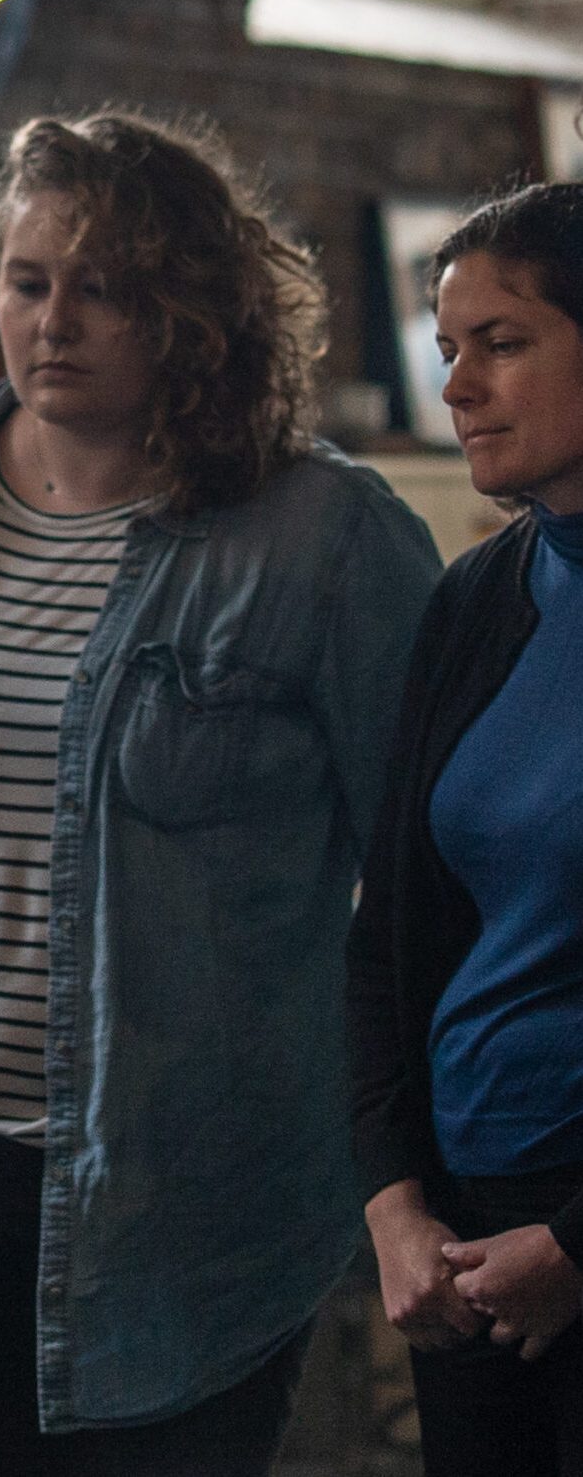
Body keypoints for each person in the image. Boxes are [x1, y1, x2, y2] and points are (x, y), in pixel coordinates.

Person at [0, 111, 441, 1475]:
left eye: (102, 285)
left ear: (190, 308)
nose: (52, 320)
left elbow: (437, 879)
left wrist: (409, 1168)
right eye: (26, 280)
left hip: (171, 1204)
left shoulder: (320, 533)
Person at [349, 182, 583, 1477]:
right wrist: (390, 1203)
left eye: (500, 342)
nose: (455, 386)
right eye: (446, 349)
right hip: (458, 1241)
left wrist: (577, 1247)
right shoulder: (474, 598)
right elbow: (385, 928)